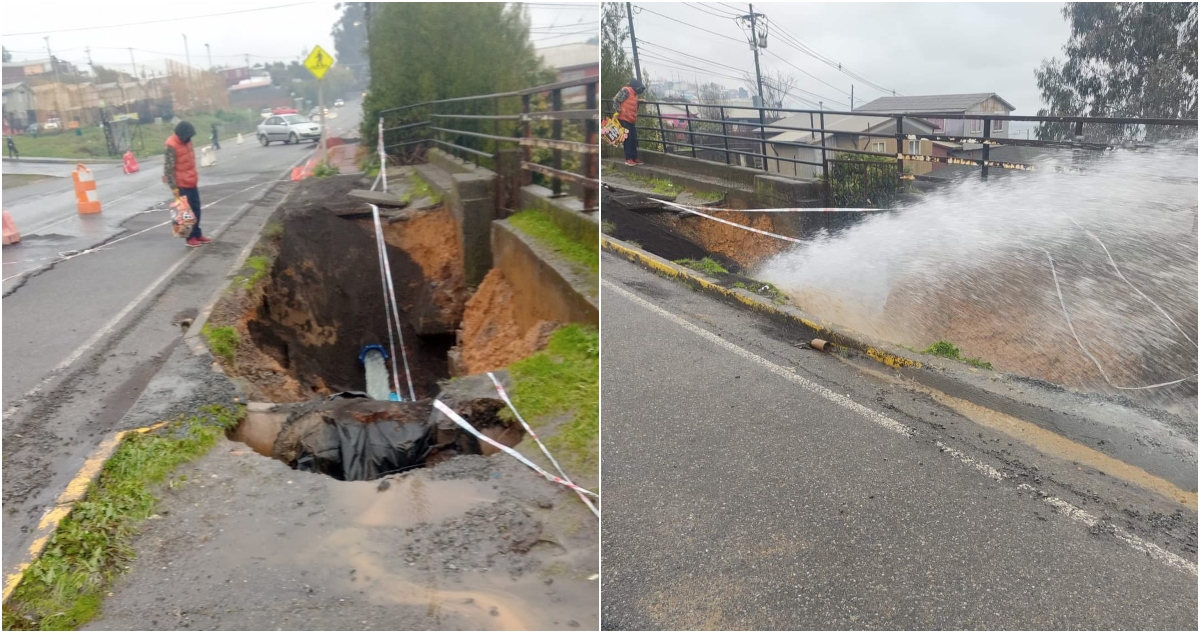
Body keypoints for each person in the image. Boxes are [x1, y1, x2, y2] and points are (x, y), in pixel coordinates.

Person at [163, 121, 210, 247]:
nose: (190, 139)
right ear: (181, 135)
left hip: (192, 182)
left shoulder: (187, 142)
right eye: (188, 136)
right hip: (181, 185)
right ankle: (189, 238)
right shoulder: (171, 146)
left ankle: (197, 233)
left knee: (196, 210)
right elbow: (168, 169)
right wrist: (174, 188)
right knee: (186, 215)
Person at [612, 78, 647, 166]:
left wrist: (639, 101)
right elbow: (616, 100)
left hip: (631, 119)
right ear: (635, 87)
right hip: (624, 118)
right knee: (628, 139)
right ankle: (628, 159)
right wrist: (618, 110)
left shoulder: (634, 94)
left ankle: (634, 157)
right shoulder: (626, 90)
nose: (640, 91)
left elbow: (629, 101)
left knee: (633, 139)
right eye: (640, 89)